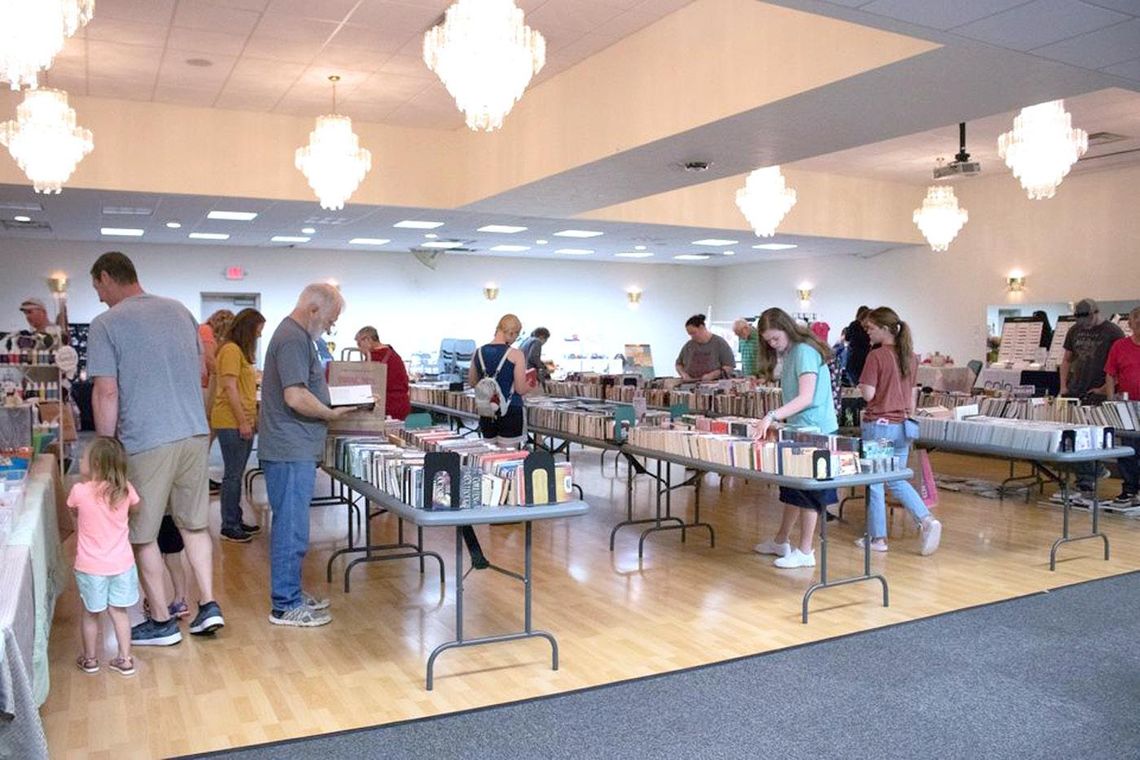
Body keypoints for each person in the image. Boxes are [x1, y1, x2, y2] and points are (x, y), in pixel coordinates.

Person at [88, 251, 223, 646]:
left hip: (147, 438)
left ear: (108, 277)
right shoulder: (180, 311)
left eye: (98, 287)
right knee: (194, 523)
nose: (98, 296)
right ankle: (209, 605)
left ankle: (162, 620)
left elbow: (106, 390)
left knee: (142, 533)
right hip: (194, 433)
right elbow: (200, 374)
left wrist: (106, 447)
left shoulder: (106, 324)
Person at [260, 284, 354, 627]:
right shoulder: (292, 338)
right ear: (313, 310)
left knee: (295, 527)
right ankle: (285, 605)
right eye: (330, 319)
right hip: (289, 449)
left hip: (294, 447)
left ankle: (292, 594)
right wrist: (331, 413)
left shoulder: (299, 338)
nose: (330, 327)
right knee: (291, 529)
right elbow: (295, 396)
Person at [751, 307, 839, 569]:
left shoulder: (803, 352)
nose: (773, 345)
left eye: (775, 339)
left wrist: (772, 416)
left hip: (816, 430)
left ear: (787, 329)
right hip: (800, 428)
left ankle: (805, 551)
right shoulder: (791, 352)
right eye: (768, 341)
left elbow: (806, 397)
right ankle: (781, 540)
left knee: (808, 493)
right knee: (792, 488)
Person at [856, 307, 942, 555]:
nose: (868, 333)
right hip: (903, 426)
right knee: (896, 478)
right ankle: (926, 520)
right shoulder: (910, 357)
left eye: (870, 328)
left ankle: (878, 539)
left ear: (884, 329)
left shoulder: (876, 356)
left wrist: (862, 385)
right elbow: (912, 394)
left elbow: (869, 394)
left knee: (874, 481)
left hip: (879, 427)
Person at [465, 314, 539, 567]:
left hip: (487, 411)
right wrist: (530, 385)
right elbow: (519, 388)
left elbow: (472, 382)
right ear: (512, 333)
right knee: (509, 459)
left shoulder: (479, 352)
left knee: (490, 458)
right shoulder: (516, 355)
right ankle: (506, 508)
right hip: (511, 411)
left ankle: (490, 504)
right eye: (516, 335)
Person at [68, 436, 140, 677]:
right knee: (119, 612)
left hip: (90, 566)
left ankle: (90, 659)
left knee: (90, 613)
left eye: (84, 457)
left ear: (96, 464)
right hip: (122, 564)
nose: (80, 460)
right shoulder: (126, 490)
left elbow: (73, 511)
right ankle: (125, 659)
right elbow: (136, 507)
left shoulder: (79, 491)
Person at [1058, 298, 1124, 503]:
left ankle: (1088, 477)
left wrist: (1105, 389)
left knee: (1090, 437)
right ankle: (1092, 472)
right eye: (1080, 319)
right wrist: (1063, 386)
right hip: (1076, 389)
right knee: (1071, 436)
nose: (1084, 323)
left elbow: (1117, 366)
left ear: (1096, 312)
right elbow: (1067, 359)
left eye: (1087, 318)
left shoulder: (1113, 332)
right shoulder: (1074, 330)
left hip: (1097, 390)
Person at [212, 308, 266, 542]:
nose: (259, 336)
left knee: (236, 473)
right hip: (231, 420)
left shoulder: (239, 352)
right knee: (233, 475)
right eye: (258, 331)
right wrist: (243, 421)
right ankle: (229, 524)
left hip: (241, 418)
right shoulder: (231, 351)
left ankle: (235, 518)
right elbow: (230, 388)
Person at [1105, 306, 1140, 507]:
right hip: (1127, 406)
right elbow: (1110, 373)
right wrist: (1111, 401)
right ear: (1130, 323)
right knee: (1128, 448)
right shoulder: (1119, 346)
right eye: (1136, 319)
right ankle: (1129, 489)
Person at [201, 310, 234, 492]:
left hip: (207, 385)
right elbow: (210, 362)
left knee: (209, 434)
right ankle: (200, 478)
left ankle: (201, 476)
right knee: (207, 433)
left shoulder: (208, 332)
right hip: (203, 387)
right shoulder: (205, 331)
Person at [354, 325, 411, 420]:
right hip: (402, 405)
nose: (359, 349)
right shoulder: (393, 354)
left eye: (359, 344)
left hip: (387, 406)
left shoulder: (374, 357)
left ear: (367, 340)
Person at [675, 314, 735, 381]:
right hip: (690, 384)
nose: (692, 336)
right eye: (690, 334)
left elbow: (729, 366)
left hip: (714, 384)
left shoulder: (720, 343)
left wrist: (713, 375)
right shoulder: (688, 346)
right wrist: (684, 374)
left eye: (694, 333)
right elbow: (678, 364)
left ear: (702, 327)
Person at [843, 306, 872, 386]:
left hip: (855, 353)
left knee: (854, 374)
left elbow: (847, 338)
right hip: (867, 351)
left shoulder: (854, 324)